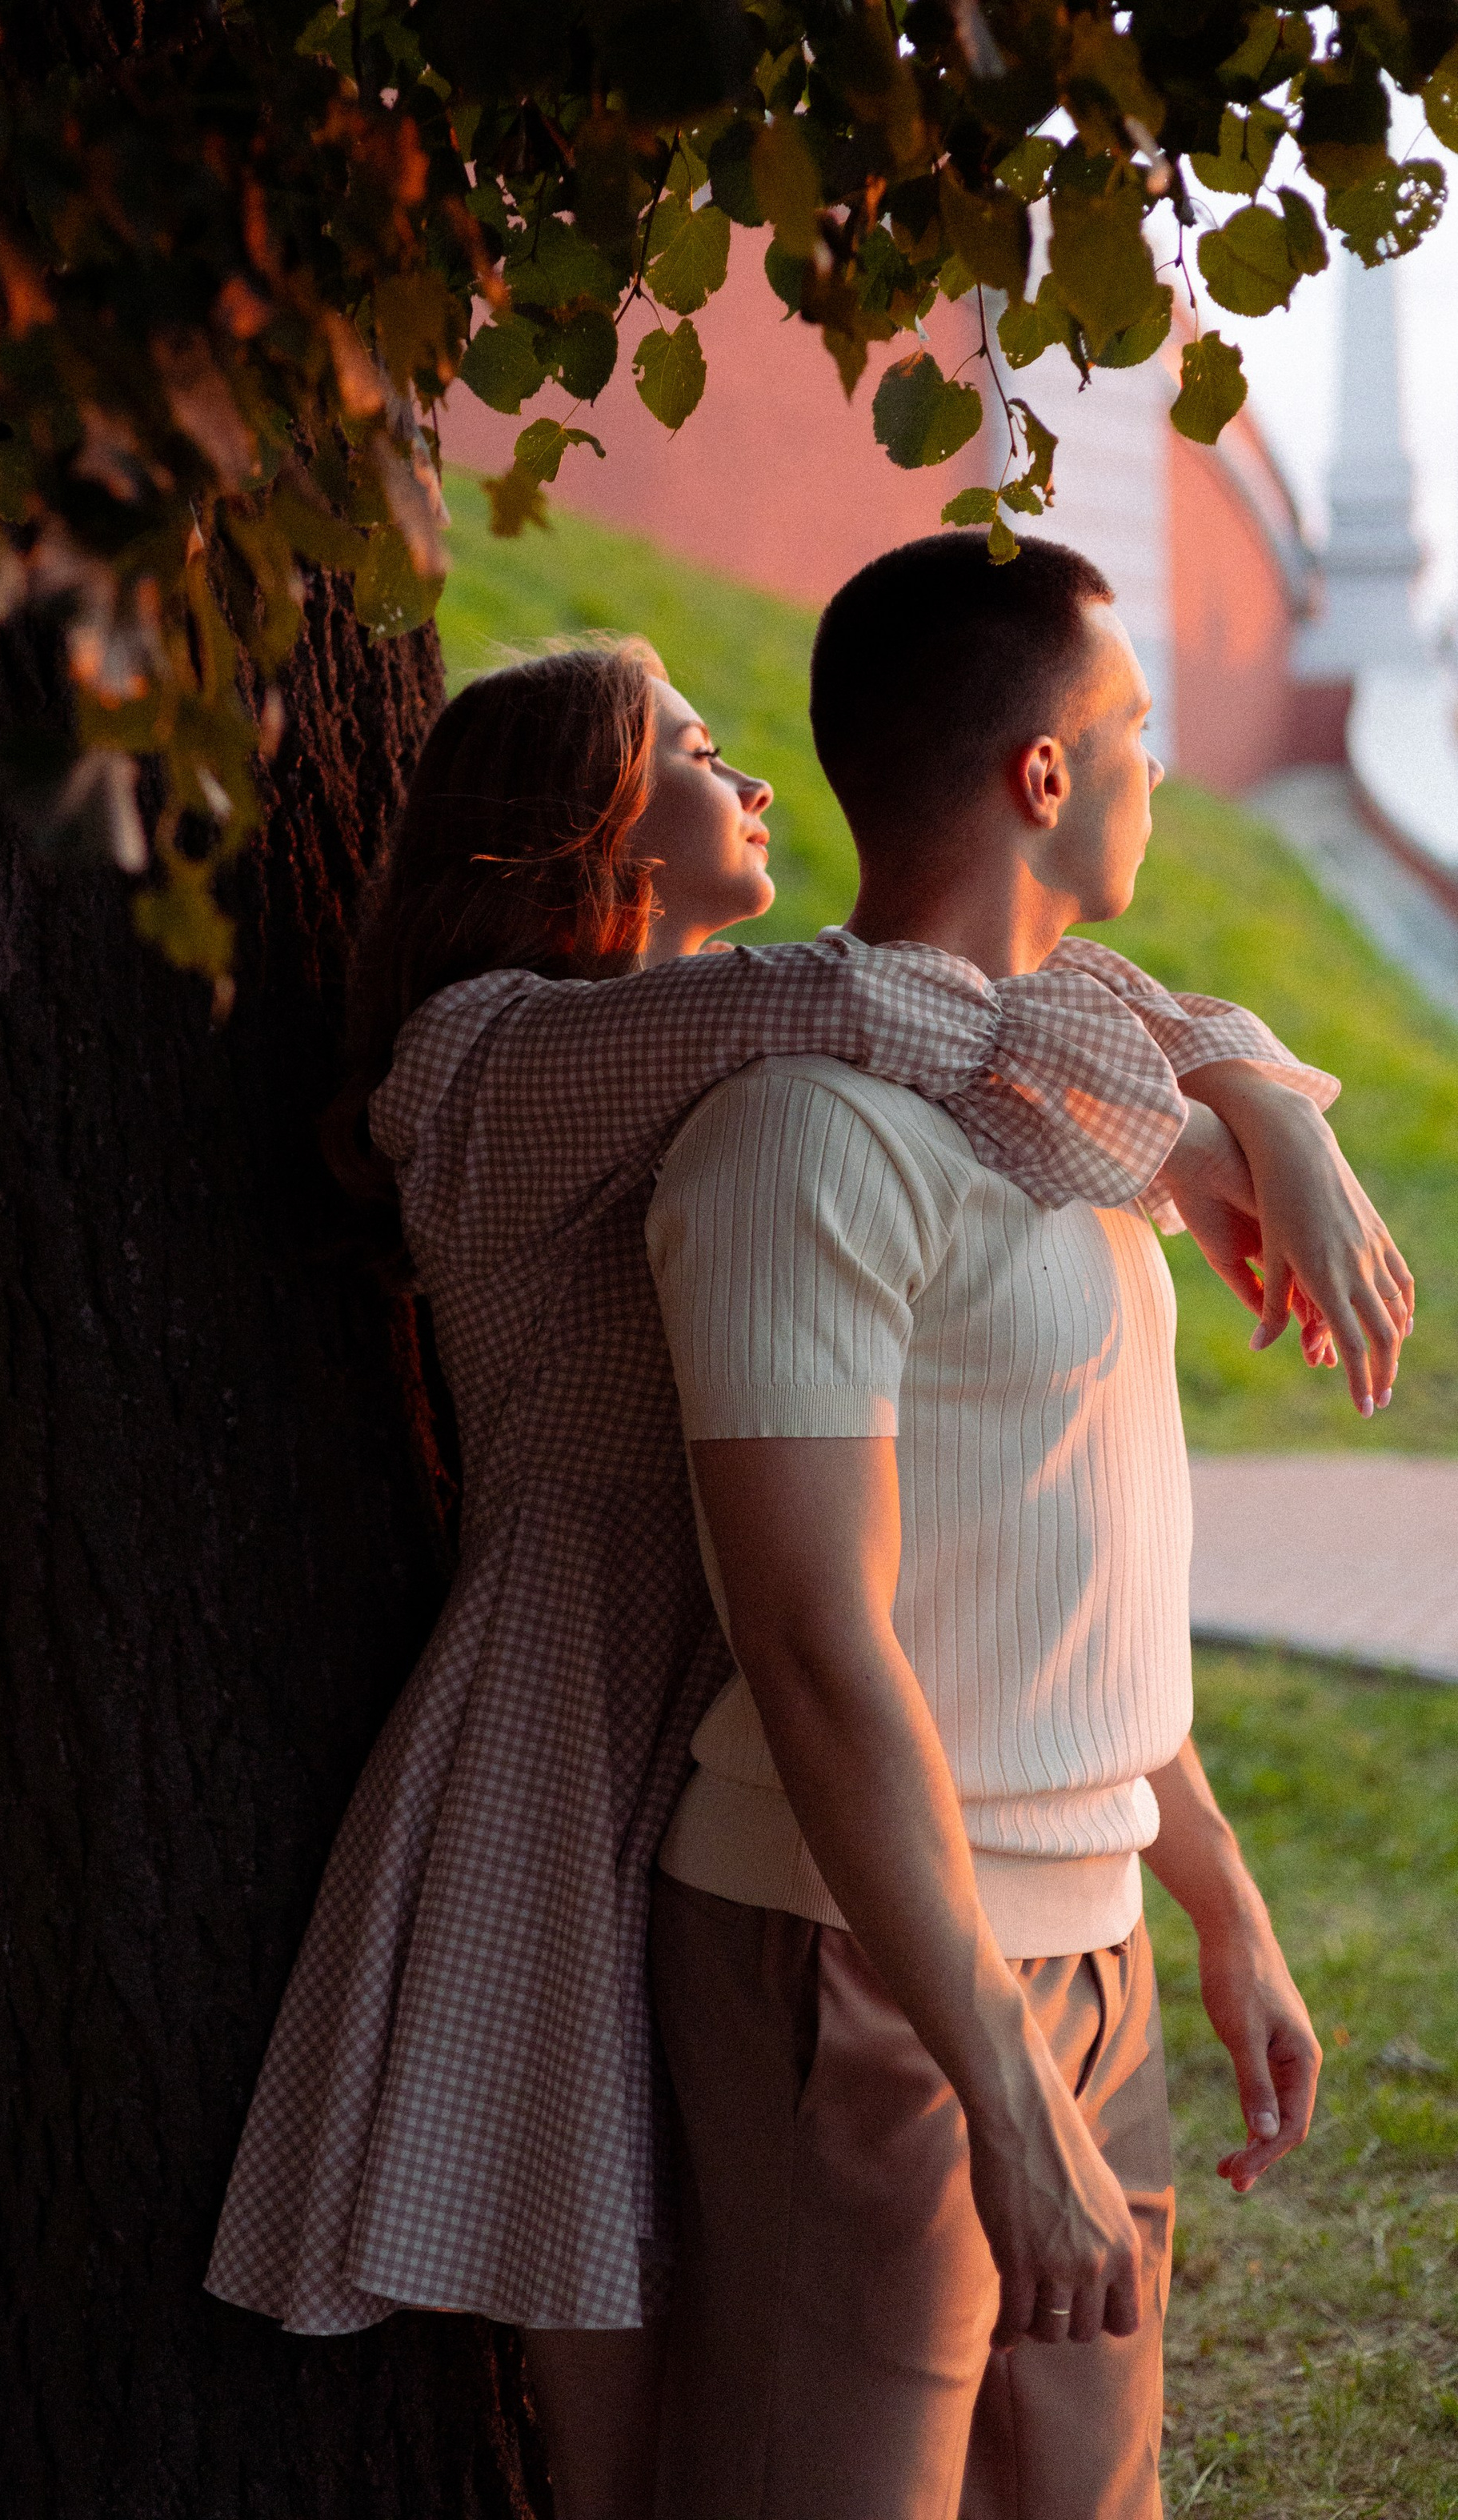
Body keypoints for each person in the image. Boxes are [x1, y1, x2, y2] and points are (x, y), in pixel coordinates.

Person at [206, 624, 1409, 2520]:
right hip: (577, 1720)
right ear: (571, 823)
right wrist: (1208, 1108)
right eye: (687, 748)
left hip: (744, 1707)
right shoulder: (498, 1057)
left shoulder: (723, 1070)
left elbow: (986, 1012)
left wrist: (1245, 1092)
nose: (747, 777)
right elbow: (925, 1004)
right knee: (636, 2418)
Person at [643, 535, 1364, 2520]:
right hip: (855, 1956)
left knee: (1081, 2497)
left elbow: (1063, 1574)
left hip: (1085, 1939)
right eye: (1131, 732)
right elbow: (810, 1643)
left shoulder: (1062, 1123)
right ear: (1040, 778)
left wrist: (1210, 1898)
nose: (1158, 772)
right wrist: (990, 2091)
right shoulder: (800, 1143)